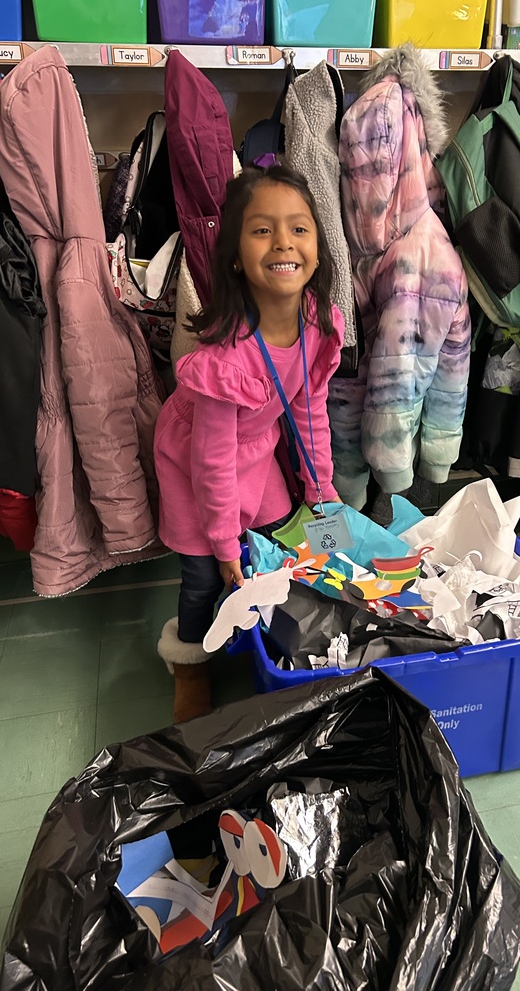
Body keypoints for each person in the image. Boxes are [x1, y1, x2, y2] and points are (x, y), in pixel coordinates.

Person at [154, 161, 344, 722]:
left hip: (254, 452)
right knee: (203, 573)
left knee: (273, 547)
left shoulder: (316, 323)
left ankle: (257, 634)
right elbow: (210, 461)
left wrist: (322, 489)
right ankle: (190, 664)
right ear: (236, 254)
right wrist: (221, 542)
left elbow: (309, 412)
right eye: (263, 229)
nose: (283, 241)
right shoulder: (223, 356)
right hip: (195, 465)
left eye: (299, 227)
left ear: (318, 243)